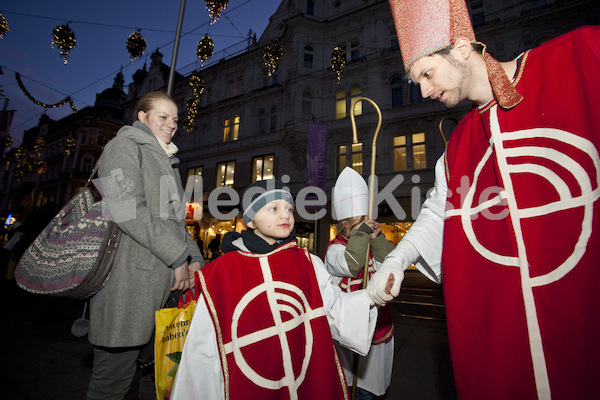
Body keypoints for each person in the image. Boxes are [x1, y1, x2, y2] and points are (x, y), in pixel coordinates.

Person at [368, 1, 600, 399]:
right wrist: (397, 259)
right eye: (415, 81)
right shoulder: (458, 146)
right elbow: (439, 210)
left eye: (426, 73)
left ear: (460, 46)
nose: (424, 91)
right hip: (506, 349)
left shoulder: (582, 57)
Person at [171, 179, 391, 399]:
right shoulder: (222, 272)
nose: (285, 215)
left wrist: (372, 296)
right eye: (273, 208)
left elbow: (336, 309)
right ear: (250, 221)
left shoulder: (307, 263)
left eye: (289, 209)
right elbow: (202, 351)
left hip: (300, 373)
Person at [85, 91, 204, 400]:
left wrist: (192, 257)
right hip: (128, 285)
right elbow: (126, 211)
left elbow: (178, 223)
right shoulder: (120, 147)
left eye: (175, 119)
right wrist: (176, 254)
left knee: (158, 379)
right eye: (162, 117)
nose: (171, 124)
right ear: (141, 117)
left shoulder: (168, 160)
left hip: (168, 288)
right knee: (111, 382)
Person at [325, 167, 396, 399]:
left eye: (367, 222)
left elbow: (390, 263)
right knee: (354, 390)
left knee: (374, 390)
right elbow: (351, 264)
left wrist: (376, 239)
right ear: (345, 225)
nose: (367, 226)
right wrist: (363, 234)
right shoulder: (335, 249)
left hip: (379, 329)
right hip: (349, 331)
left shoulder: (369, 244)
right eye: (360, 223)